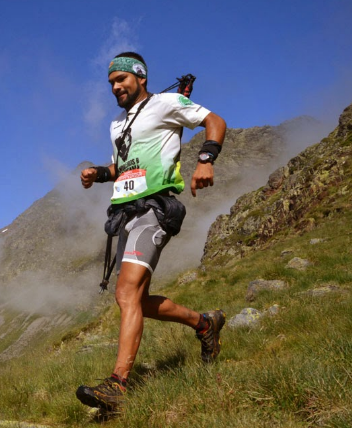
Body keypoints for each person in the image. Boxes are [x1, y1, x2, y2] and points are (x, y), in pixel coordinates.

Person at [76, 52, 227, 412]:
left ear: (139, 78)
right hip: (126, 213)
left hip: (156, 209)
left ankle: (118, 386)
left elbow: (214, 121)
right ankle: (205, 324)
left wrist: (205, 160)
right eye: (111, 82)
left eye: (121, 80)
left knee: (127, 293)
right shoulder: (117, 124)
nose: (115, 87)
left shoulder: (166, 103)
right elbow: (125, 165)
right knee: (135, 301)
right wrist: (98, 173)